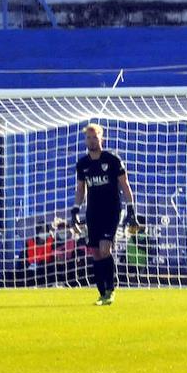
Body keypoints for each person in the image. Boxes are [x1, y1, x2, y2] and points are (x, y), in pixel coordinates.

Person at [70, 123, 137, 306]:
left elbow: (124, 184)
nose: (92, 141)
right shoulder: (82, 164)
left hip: (111, 210)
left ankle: (111, 289)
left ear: (102, 138)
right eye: (89, 138)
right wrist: (75, 209)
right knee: (96, 253)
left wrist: (131, 208)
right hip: (93, 212)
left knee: (105, 249)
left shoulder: (112, 160)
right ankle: (102, 292)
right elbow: (81, 188)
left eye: (95, 137)